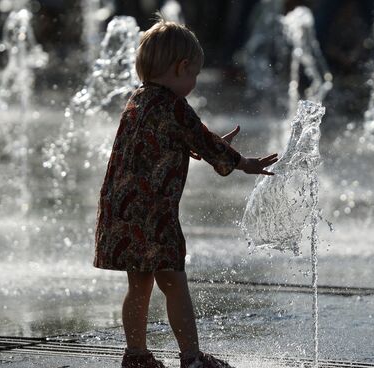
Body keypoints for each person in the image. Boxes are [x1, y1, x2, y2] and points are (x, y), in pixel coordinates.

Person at [93, 17, 278, 368]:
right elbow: (203, 139)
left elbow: (161, 142)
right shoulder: (174, 105)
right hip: (154, 213)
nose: (193, 82)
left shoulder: (137, 100)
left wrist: (196, 148)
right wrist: (244, 163)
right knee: (175, 285)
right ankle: (191, 358)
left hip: (123, 209)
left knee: (139, 286)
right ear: (181, 67)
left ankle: (136, 356)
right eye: (194, 74)